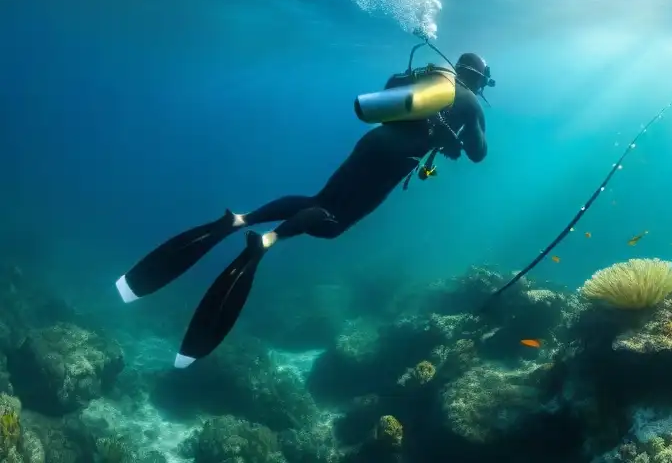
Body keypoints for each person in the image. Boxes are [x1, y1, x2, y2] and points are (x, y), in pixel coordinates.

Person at [115, 52, 491, 368]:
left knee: (318, 200)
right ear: (478, 78)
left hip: (373, 142)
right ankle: (267, 240)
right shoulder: (470, 101)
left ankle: (239, 220)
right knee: (332, 224)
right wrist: (464, 132)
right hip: (393, 162)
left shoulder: (427, 79)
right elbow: (478, 153)